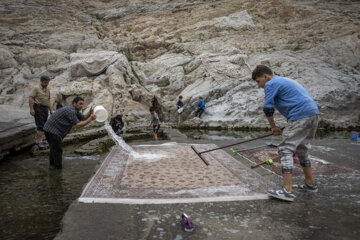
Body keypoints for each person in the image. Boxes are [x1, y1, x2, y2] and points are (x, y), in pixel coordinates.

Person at [252, 65, 320, 202]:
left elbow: (267, 106)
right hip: (313, 114)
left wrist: (273, 127)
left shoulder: (271, 83)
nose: (259, 86)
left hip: (300, 116)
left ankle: (287, 190)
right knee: (302, 149)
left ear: (265, 76)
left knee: (285, 149)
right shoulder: (285, 80)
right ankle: (310, 184)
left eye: (258, 81)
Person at [43, 97, 96, 169]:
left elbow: (83, 118)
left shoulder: (75, 109)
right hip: (52, 130)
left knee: (54, 149)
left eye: (82, 104)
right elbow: (78, 125)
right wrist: (90, 119)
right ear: (74, 103)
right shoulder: (70, 110)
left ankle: (52, 166)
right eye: (80, 104)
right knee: (58, 150)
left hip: (49, 128)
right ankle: (58, 170)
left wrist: (89, 113)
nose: (81, 106)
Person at [29, 76, 53, 148]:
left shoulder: (47, 89)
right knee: (40, 125)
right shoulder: (36, 88)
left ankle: (41, 139)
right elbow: (30, 98)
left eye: (47, 82)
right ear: (41, 81)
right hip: (38, 107)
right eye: (45, 82)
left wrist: (51, 110)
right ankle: (38, 141)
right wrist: (31, 109)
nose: (46, 84)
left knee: (45, 124)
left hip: (45, 108)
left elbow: (48, 100)